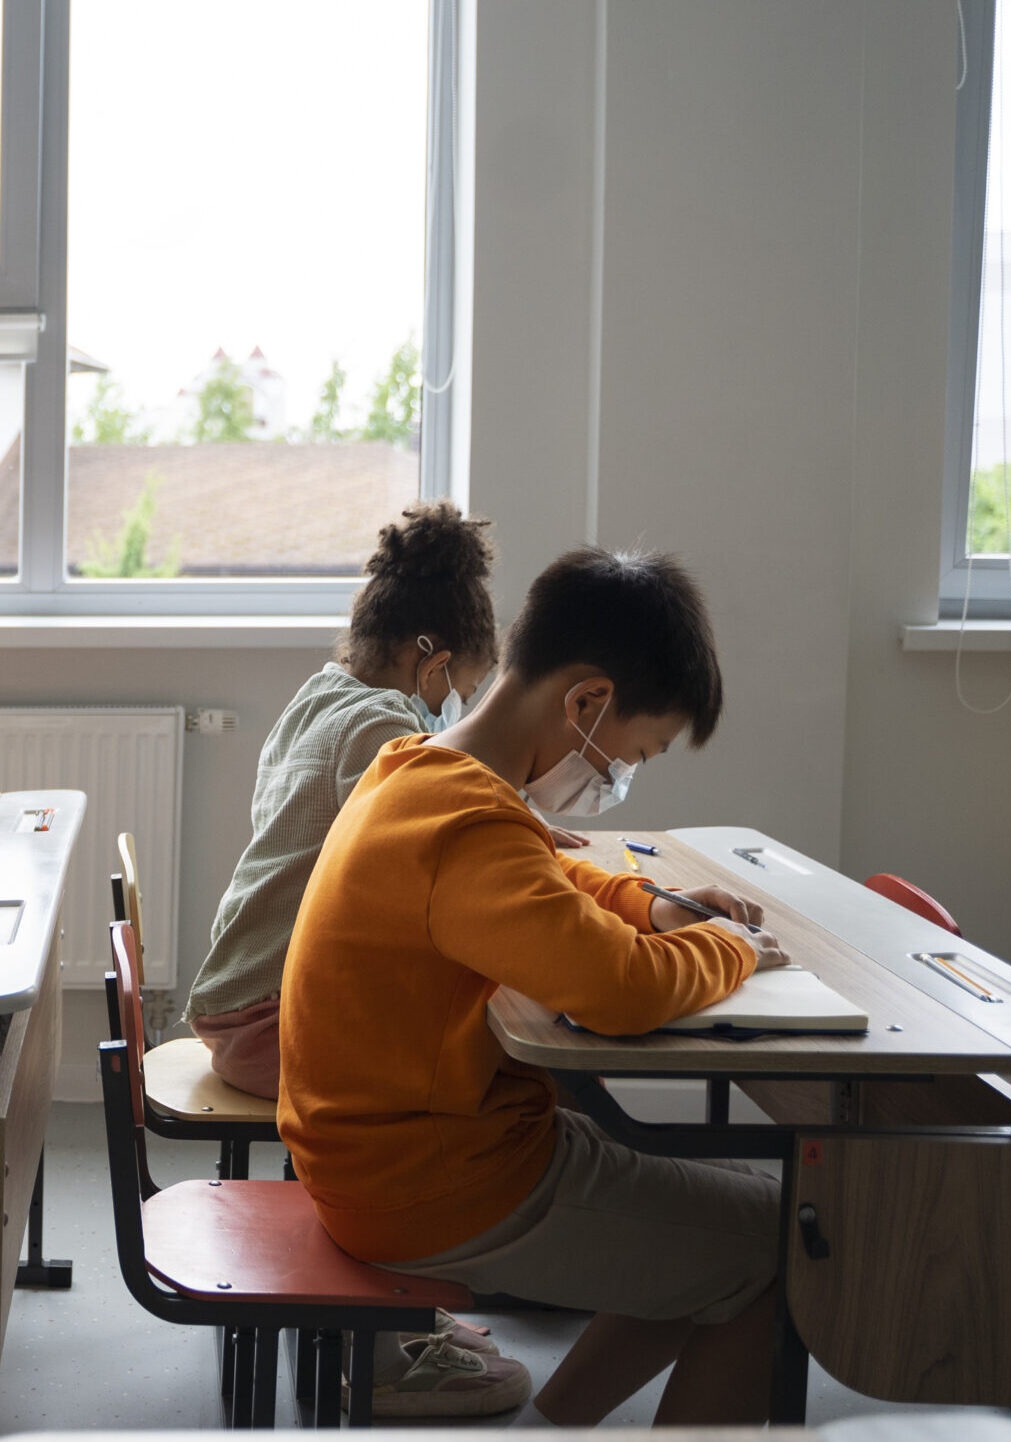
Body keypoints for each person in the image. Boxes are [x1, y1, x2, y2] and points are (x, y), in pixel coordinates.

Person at [280, 546, 793, 1426]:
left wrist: (652, 901)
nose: (623, 775)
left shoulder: (419, 767)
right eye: (636, 752)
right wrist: (730, 947)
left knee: (739, 1211)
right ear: (587, 702)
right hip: (431, 1182)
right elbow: (622, 990)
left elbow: (543, 874)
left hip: (389, 1156)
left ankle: (557, 1425)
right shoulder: (467, 822)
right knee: (787, 1247)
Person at [177, 502, 537, 1416]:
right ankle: (377, 1348)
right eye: (464, 685)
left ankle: (393, 1306)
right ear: (433, 659)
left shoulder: (322, 694)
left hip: (238, 998)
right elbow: (432, 843)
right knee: (426, 1094)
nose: (459, 707)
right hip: (270, 1020)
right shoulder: (383, 729)